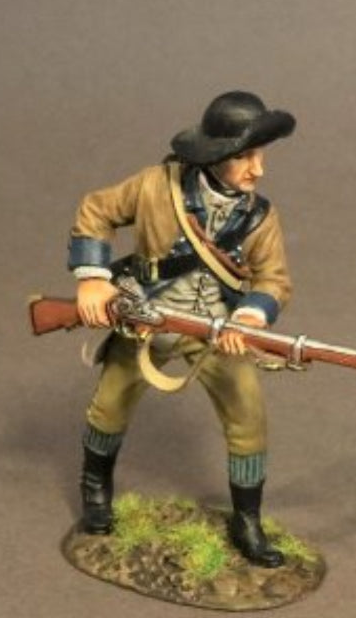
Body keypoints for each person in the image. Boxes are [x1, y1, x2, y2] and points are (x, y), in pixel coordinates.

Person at [70, 90, 295, 567]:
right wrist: (92, 280)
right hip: (145, 319)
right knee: (109, 405)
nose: (258, 169)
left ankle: (247, 520)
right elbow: (96, 210)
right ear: (215, 155)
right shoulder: (156, 186)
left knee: (248, 415)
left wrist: (248, 317)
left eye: (260, 155)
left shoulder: (260, 216)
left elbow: (273, 280)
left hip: (215, 330)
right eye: (245, 157)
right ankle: (95, 490)